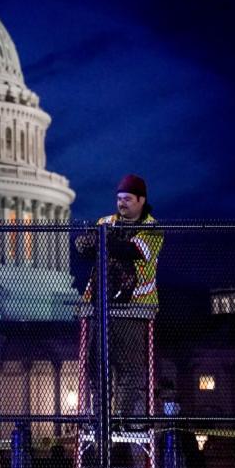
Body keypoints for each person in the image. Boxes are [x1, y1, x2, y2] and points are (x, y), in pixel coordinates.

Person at [74, 174, 164, 415]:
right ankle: (100, 416)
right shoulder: (105, 221)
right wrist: (88, 243)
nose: (121, 203)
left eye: (127, 199)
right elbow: (86, 248)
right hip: (100, 304)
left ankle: (119, 419)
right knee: (96, 367)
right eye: (119, 199)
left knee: (129, 369)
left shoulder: (152, 229)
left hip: (133, 308)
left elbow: (133, 251)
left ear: (141, 200)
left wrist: (101, 241)